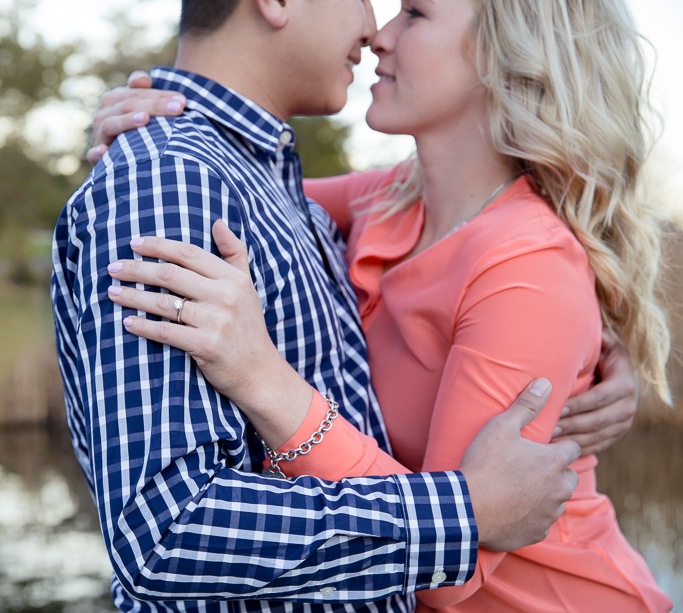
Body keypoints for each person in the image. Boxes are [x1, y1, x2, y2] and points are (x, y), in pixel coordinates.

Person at [52, 1, 635, 611]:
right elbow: (212, 190)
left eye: (413, 13)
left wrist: (266, 382)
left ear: (506, 54)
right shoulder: (375, 202)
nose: (377, 31)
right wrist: (146, 127)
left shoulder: (527, 264)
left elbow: (459, 568)